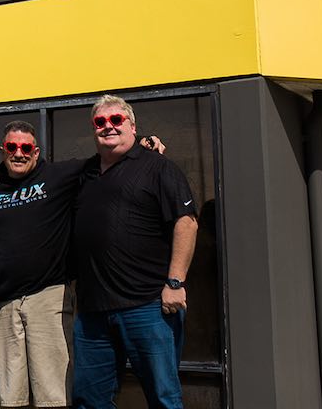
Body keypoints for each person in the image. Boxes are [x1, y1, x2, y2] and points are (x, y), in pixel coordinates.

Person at [0, 121, 163, 409]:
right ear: (3, 150)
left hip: (48, 297)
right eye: (12, 147)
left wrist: (142, 140)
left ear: (36, 151)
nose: (18, 153)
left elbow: (106, 153)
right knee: (11, 397)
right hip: (6, 304)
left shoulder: (58, 175)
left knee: (52, 394)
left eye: (25, 147)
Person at [71, 95, 198, 409]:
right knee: (89, 401)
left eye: (116, 120)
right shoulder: (84, 174)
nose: (108, 127)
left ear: (132, 126)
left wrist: (175, 283)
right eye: (100, 122)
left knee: (163, 397)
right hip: (92, 312)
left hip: (147, 306)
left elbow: (187, 223)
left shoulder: (158, 167)